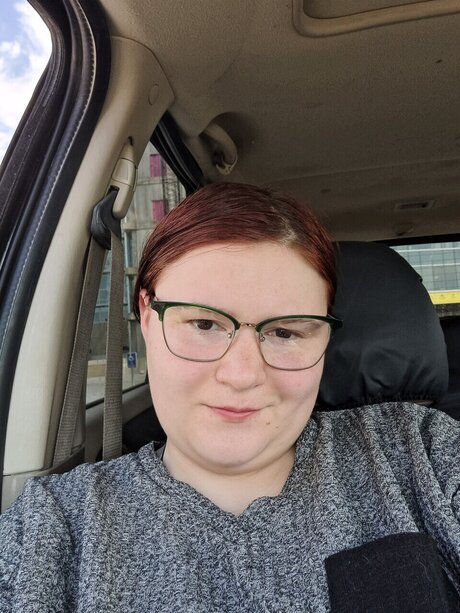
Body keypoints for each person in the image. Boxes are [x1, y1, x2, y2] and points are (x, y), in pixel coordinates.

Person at [0, 182, 460, 612]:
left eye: (285, 332)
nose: (241, 376)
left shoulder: (422, 453)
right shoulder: (52, 528)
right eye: (203, 324)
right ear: (147, 317)